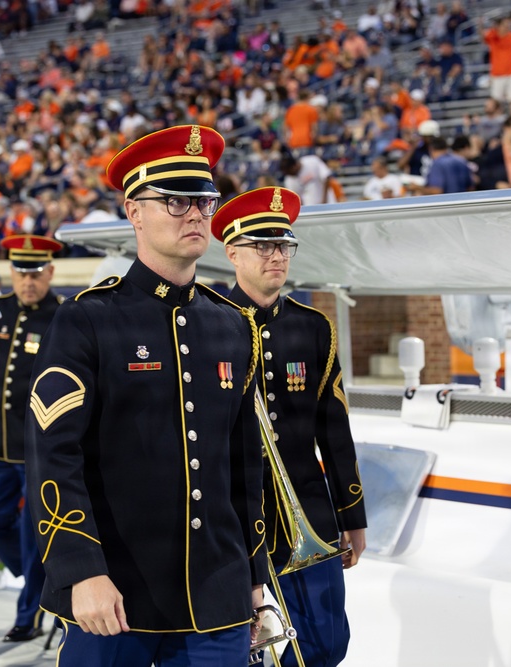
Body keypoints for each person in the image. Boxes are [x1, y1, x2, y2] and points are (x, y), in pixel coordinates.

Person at [23, 125, 268, 667]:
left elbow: (245, 467)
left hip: (217, 600)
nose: (196, 214)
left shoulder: (233, 325)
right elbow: (53, 456)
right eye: (175, 201)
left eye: (204, 200)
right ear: (134, 212)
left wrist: (255, 577)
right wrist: (79, 570)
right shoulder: (85, 319)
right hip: (114, 596)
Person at [213, 186, 368, 667]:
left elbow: (333, 429)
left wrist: (353, 514)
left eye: (283, 245)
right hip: (236, 521)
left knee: (327, 643)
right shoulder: (208, 324)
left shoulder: (313, 326)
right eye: (262, 246)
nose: (276, 255)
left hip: (311, 514)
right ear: (233, 252)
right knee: (255, 648)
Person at [0, 235, 64, 642]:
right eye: (22, 272)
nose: (29, 281)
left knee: (36, 535)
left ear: (50, 272)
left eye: (37, 273)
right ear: (11, 271)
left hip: (40, 448)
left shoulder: (64, 314)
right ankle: (39, 585)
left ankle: (28, 616)